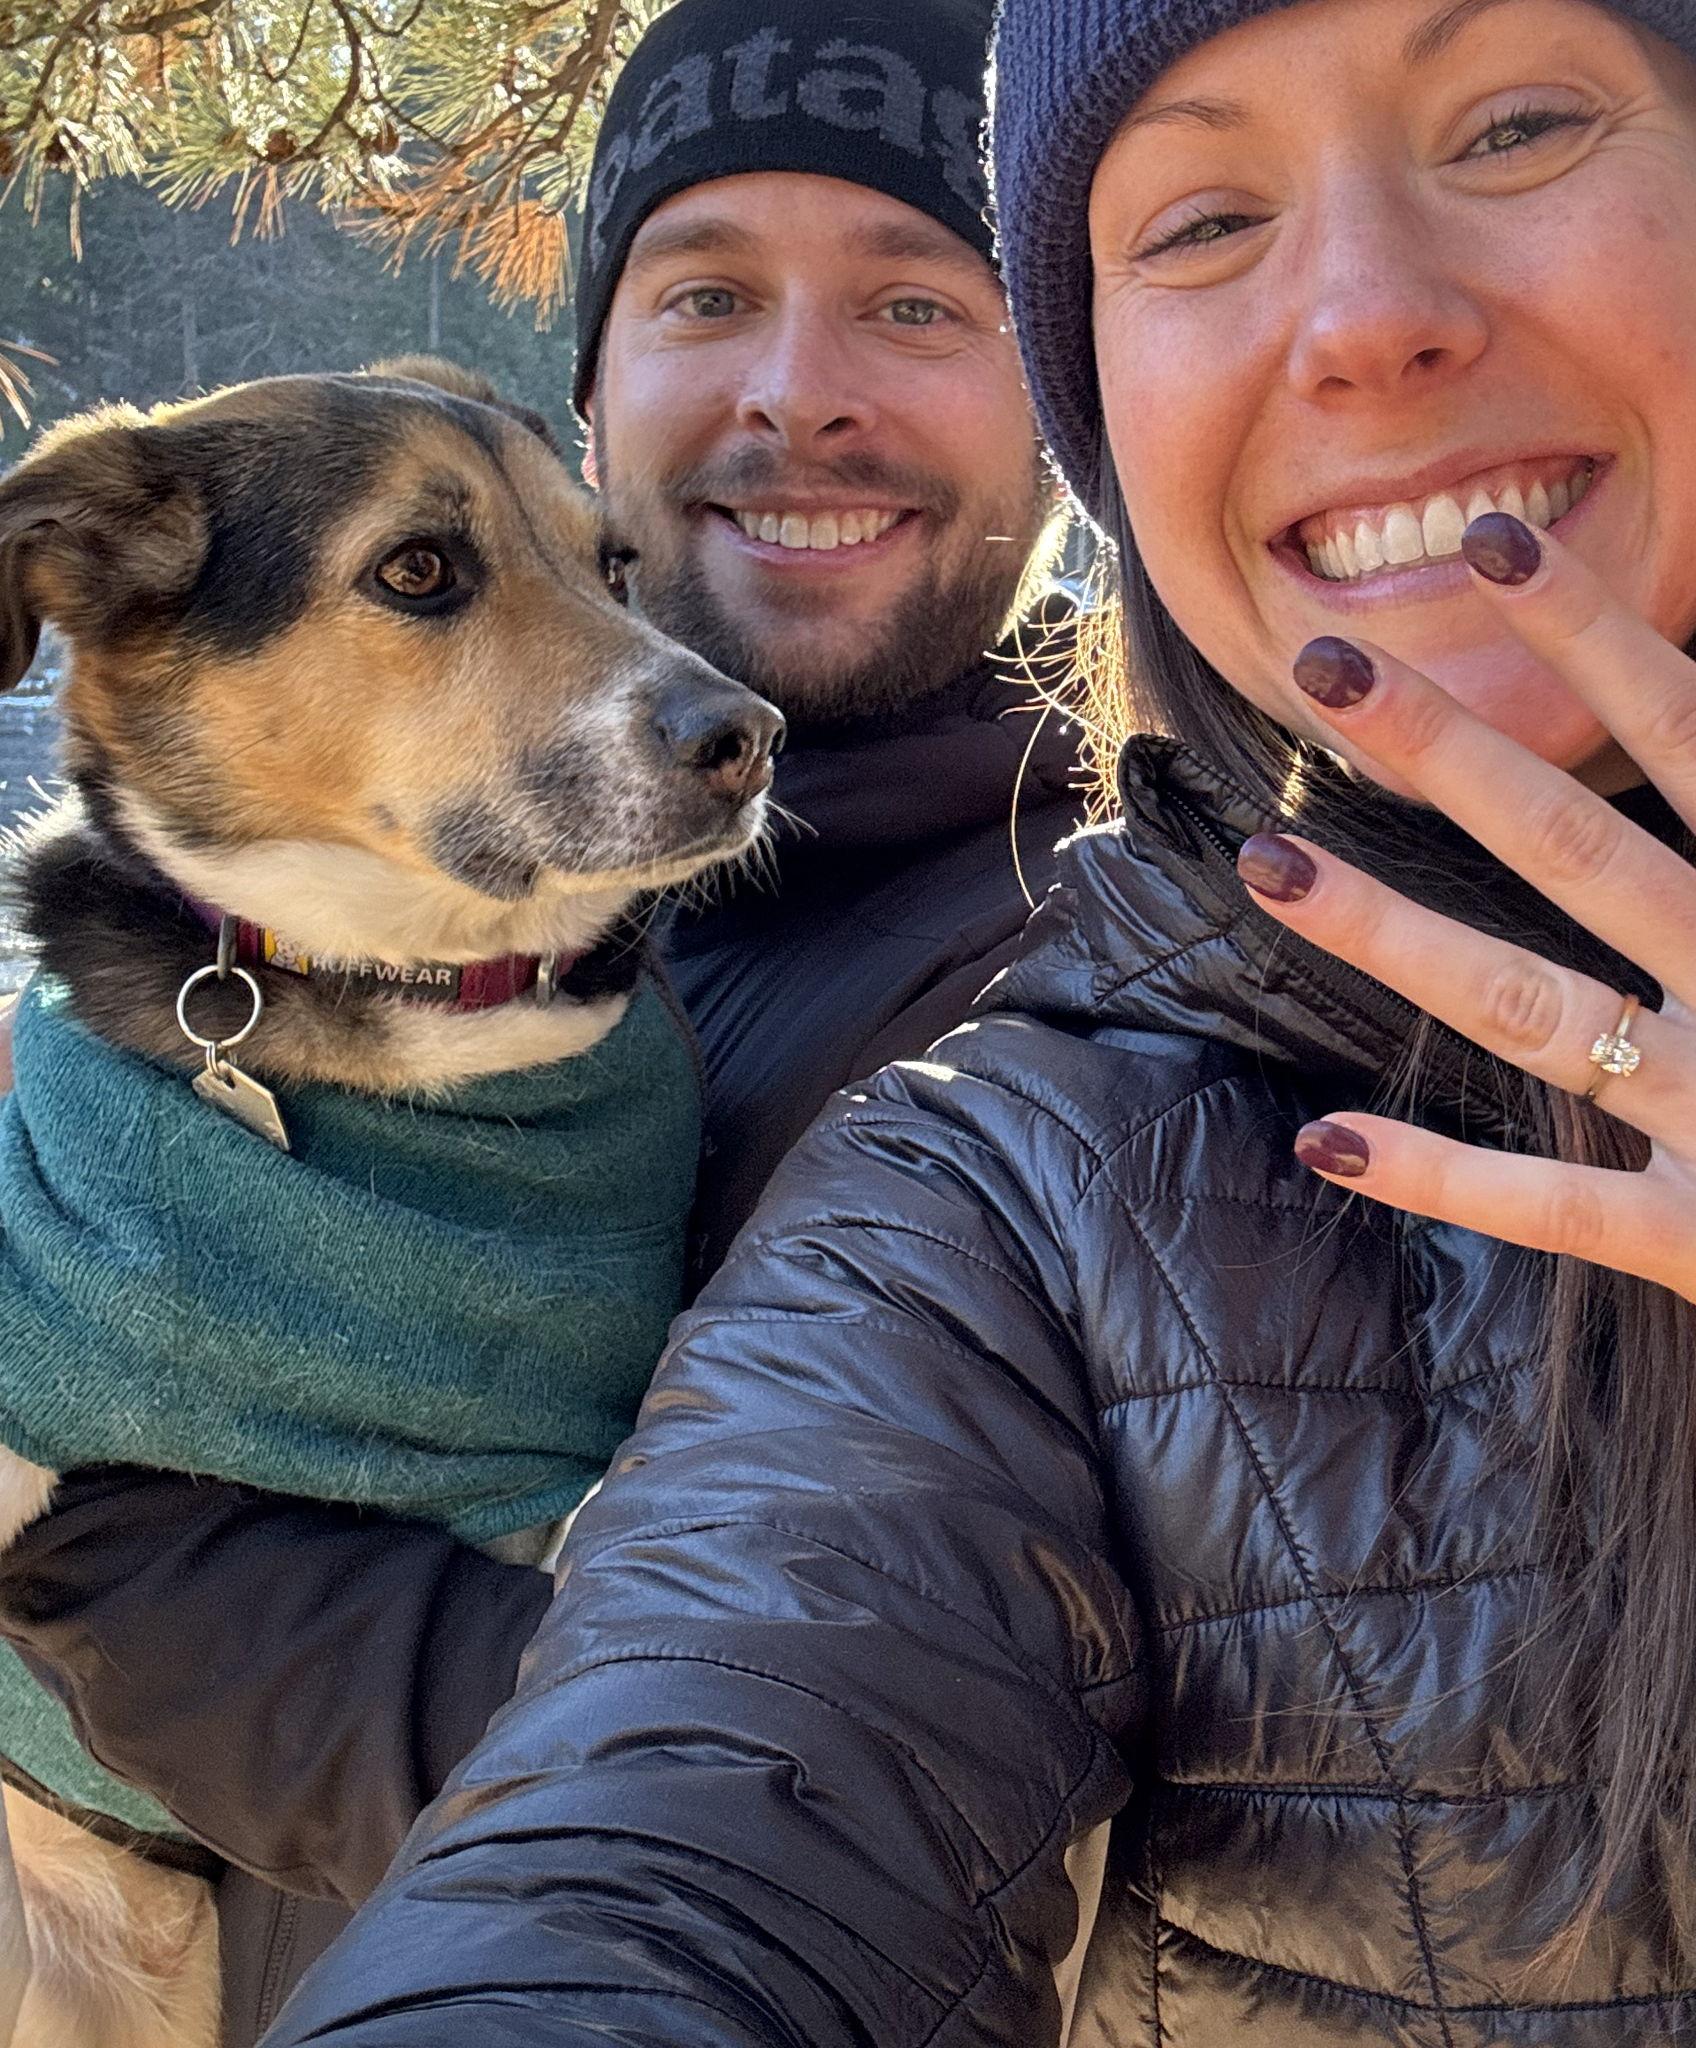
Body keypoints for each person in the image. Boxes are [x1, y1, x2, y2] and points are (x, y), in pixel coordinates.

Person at [144, 0, 1696, 2038]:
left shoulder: (1026, 1040)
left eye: (1512, 122)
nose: (1360, 318)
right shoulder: (972, 1153)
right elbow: (682, 1809)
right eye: (1208, 218)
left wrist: (168, 1601)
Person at [0, 0, 1078, 2039]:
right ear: (594, 405)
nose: (795, 392)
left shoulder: (1098, 958)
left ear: (1065, 405)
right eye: (704, 293)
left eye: (917, 305)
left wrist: (140, 1581)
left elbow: (853, 1783)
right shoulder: (543, 916)